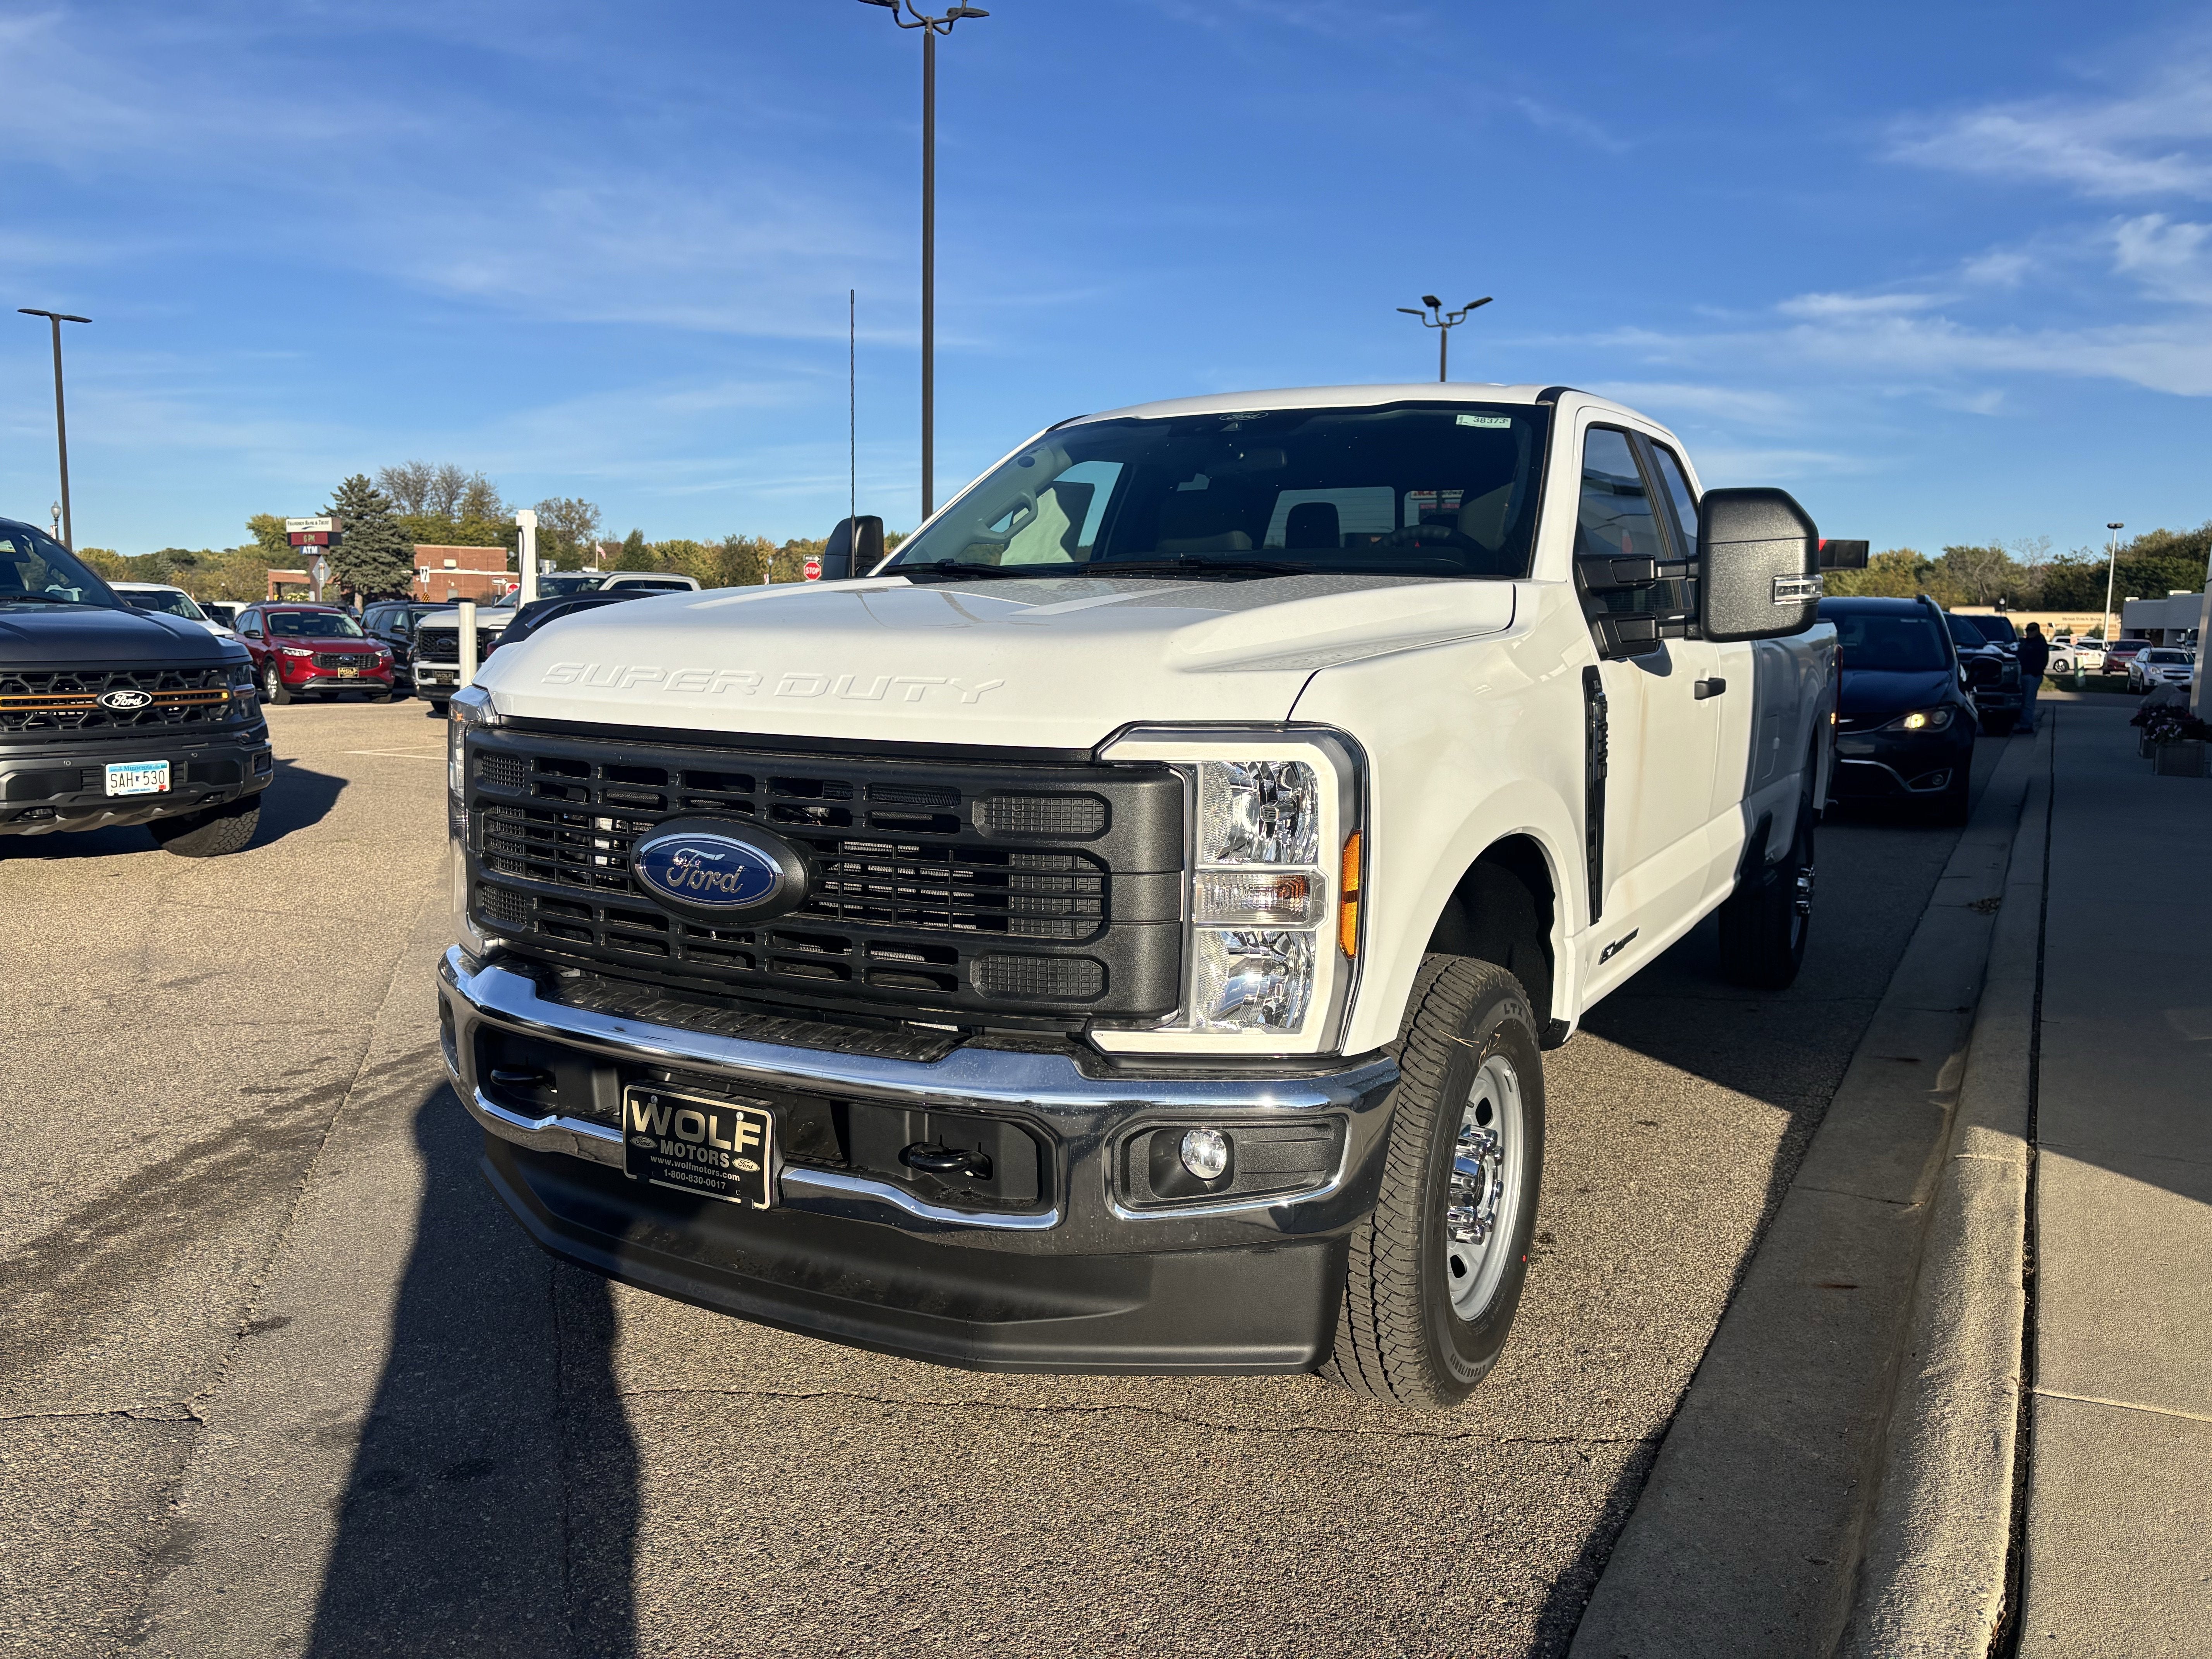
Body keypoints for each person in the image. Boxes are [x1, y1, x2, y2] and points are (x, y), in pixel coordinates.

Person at [2017, 621, 2051, 733]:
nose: (2029, 632)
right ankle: (2024, 723)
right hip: (2024, 674)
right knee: (2023, 701)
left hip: (2032, 676)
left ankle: (2026, 726)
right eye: (2028, 630)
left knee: (2028, 702)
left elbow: (2043, 661)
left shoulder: (2039, 644)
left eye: (2031, 630)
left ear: (2037, 631)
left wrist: (2035, 672)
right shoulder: (2025, 643)